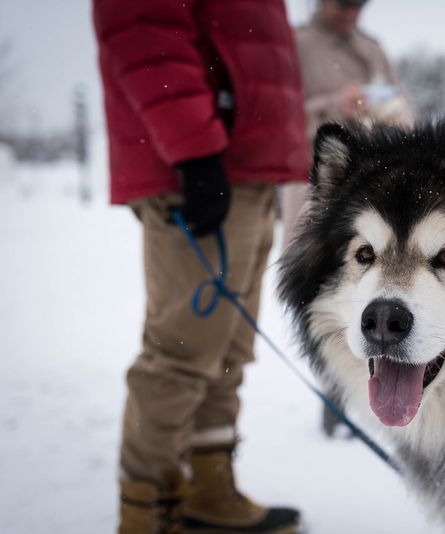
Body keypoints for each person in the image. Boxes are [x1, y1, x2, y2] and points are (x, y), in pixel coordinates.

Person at [92, 1, 310, 532]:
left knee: (228, 348)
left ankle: (208, 487)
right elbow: (141, 27)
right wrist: (193, 149)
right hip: (201, 167)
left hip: (251, 167)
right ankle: (146, 507)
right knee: (182, 353)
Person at [280, 0, 413, 437]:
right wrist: (332, 107)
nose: (353, 13)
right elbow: (278, 117)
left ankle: (384, 394)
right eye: (344, 4)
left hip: (377, 192)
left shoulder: (372, 49)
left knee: (385, 289)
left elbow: (398, 104)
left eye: (360, 5)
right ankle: (336, 392)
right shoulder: (295, 45)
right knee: (331, 287)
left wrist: (391, 114)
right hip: (317, 188)